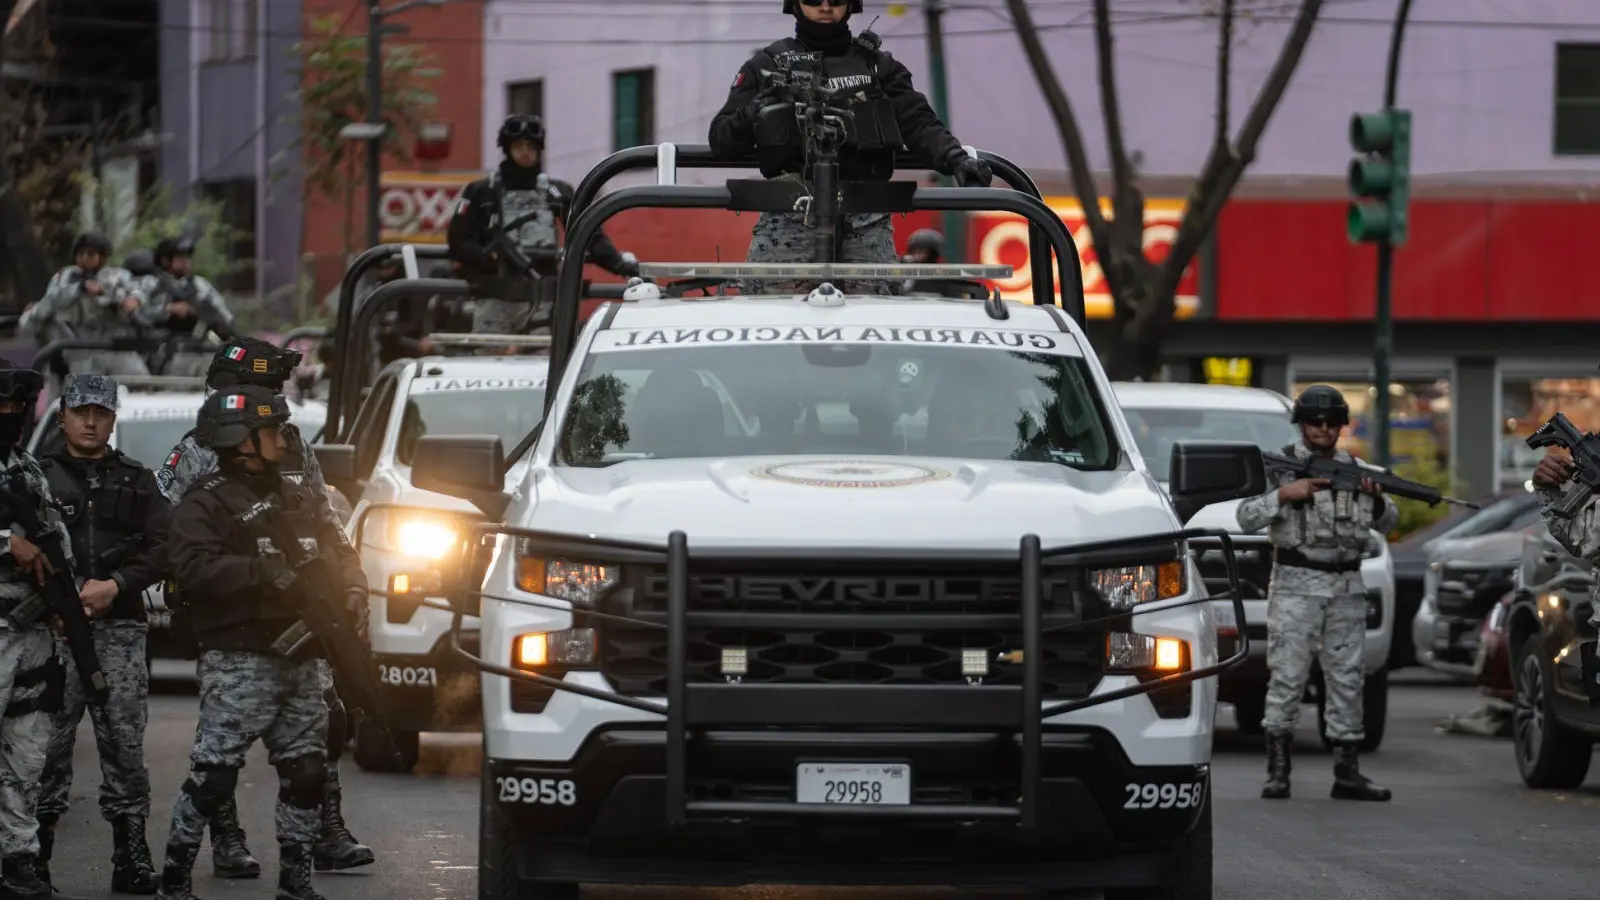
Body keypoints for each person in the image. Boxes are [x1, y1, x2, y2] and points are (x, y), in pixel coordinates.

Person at [155, 338, 373, 879]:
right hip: (233, 622)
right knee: (221, 751)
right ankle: (226, 841)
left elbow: (324, 517)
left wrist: (351, 581)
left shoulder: (292, 443)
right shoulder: (204, 448)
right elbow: (168, 532)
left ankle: (327, 831)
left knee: (324, 722)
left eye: (277, 391)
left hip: (301, 613)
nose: (276, 403)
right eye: (265, 390)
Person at [708, 0, 992, 294]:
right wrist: (757, 108)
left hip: (866, 217)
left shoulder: (879, 67)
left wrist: (957, 160)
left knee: (874, 323)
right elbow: (721, 140)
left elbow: (919, 123)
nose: (826, 6)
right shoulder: (766, 66)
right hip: (788, 214)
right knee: (772, 321)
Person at [34, 375, 170, 894]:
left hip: (119, 633)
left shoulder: (138, 480)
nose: (91, 422)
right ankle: (32, 856)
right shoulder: (36, 477)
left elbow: (164, 546)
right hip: (51, 635)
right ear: (64, 414)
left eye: (101, 413)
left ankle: (130, 856)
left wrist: (116, 585)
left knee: (124, 748)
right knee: (43, 751)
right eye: (81, 411)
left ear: (113, 419)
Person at [1235, 384, 1394, 803]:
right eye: (1314, 421)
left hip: (1347, 586)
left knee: (1347, 679)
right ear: (1301, 424)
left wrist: (1376, 501)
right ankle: (1279, 771)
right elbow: (1245, 517)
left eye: (1331, 422)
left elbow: (1389, 521)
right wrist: (1283, 495)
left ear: (1342, 425)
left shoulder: (1359, 469)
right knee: (1287, 676)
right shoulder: (1281, 468)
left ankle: (1347, 770)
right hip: (1295, 585)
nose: (1323, 429)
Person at [447, 114, 639, 334]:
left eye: (531, 146)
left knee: (542, 363)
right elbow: (457, 242)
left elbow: (589, 234)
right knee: (490, 360)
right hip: (494, 295)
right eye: (519, 145)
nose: (525, 151)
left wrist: (620, 265)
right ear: (507, 148)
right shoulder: (481, 192)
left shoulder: (556, 192)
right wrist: (484, 255)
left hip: (542, 299)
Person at [0, 359, 70, 899]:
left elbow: (52, 539)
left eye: (18, 408)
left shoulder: (27, 469)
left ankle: (20, 855)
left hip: (32, 635)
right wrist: (6, 541)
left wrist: (63, 600)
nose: (10, 417)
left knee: (27, 754)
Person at [20, 232, 151, 377]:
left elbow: (138, 289)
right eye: (80, 253)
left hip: (114, 344)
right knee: (87, 387)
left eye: (90, 254)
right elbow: (53, 299)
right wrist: (80, 287)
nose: (83, 258)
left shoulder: (118, 275)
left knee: (141, 380)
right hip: (78, 346)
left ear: (103, 257)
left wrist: (133, 299)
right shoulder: (66, 275)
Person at [134, 237, 234, 377]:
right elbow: (135, 313)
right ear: (165, 260)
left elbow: (224, 315)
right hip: (159, 348)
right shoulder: (150, 283)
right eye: (180, 258)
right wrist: (168, 309)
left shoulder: (200, 284)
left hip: (197, 346)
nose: (186, 262)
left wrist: (215, 322)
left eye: (187, 257)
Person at [899, 228, 971, 297]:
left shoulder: (945, 280)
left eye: (921, 251)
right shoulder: (902, 273)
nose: (916, 255)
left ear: (933, 254)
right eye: (915, 251)